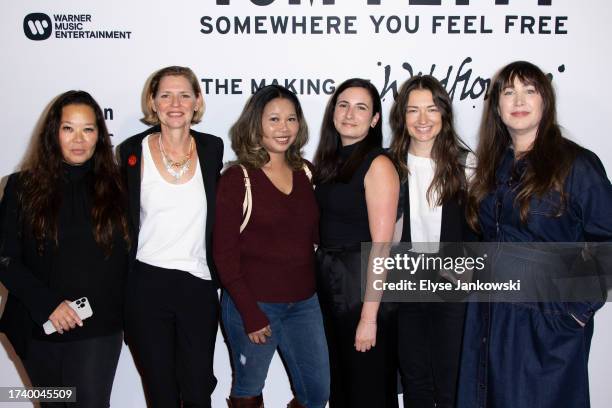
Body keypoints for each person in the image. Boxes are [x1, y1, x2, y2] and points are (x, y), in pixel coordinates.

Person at [458, 61, 612, 408]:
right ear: (496, 106)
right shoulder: (491, 165)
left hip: (545, 327)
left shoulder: (576, 165)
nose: (519, 100)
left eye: (530, 90)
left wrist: (575, 310)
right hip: (486, 319)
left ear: (545, 100)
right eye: (508, 92)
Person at [0, 90, 130, 407]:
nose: (79, 139)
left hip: (98, 327)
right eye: (68, 128)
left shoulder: (121, 186)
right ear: (53, 133)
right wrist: (49, 306)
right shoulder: (20, 186)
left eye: (88, 129)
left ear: (100, 135)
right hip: (37, 325)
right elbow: (5, 258)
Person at [214, 85, 330, 408]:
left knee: (317, 392)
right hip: (253, 303)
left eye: (291, 119)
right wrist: (250, 312)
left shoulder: (307, 172)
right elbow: (224, 255)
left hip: (305, 304)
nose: (284, 128)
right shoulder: (238, 178)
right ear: (255, 124)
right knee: (249, 387)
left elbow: (317, 235)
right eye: (274, 119)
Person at [117, 66, 224, 408]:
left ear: (197, 101)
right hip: (146, 285)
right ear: (153, 101)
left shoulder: (212, 148)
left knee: (197, 390)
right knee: (160, 391)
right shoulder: (131, 151)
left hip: (198, 284)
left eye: (184, 95)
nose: (175, 103)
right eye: (165, 95)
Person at [388, 75, 474, 408]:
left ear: (444, 114)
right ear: (402, 117)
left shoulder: (468, 163)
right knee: (415, 380)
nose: (423, 120)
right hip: (405, 288)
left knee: (452, 379)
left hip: (452, 289)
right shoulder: (389, 164)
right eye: (413, 111)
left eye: (432, 109)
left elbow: (479, 231)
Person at [313, 78, 400, 408]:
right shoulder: (330, 162)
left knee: (367, 389)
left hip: (361, 289)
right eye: (343, 105)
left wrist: (369, 317)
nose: (350, 114)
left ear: (375, 119)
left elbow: (382, 246)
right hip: (332, 284)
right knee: (343, 388)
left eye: (361, 107)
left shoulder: (378, 164)